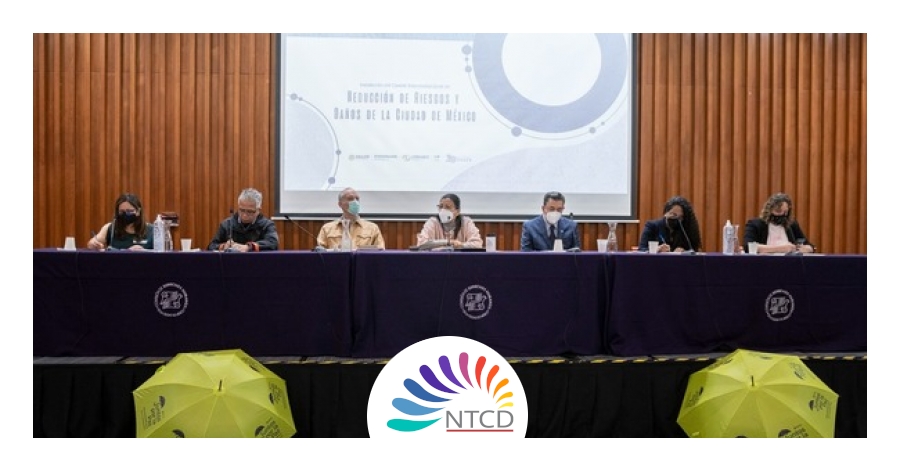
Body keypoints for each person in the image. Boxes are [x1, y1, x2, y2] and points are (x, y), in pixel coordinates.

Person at [208, 188, 279, 252]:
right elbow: (211, 246)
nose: (244, 215)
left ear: (258, 210)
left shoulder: (266, 225)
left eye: (250, 211)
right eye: (242, 210)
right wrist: (223, 246)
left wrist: (249, 247)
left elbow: (273, 243)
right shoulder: (227, 224)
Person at [744, 192, 815, 254]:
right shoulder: (755, 224)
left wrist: (808, 249)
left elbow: (809, 245)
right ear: (769, 210)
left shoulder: (792, 224)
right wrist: (781, 248)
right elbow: (748, 246)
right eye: (778, 211)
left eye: (785, 212)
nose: (782, 214)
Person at [316, 187, 386, 250]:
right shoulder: (327, 228)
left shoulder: (372, 228)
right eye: (350, 199)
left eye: (357, 199)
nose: (355, 202)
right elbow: (320, 253)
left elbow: (380, 251)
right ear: (340, 204)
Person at [87, 193, 154, 251]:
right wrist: (93, 244)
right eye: (122, 211)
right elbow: (92, 243)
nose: (125, 214)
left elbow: (159, 253)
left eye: (129, 211)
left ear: (138, 211)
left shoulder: (152, 230)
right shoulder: (110, 228)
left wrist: (144, 251)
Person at [638, 195, 703, 253]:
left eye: (680, 217)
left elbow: (694, 251)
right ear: (666, 212)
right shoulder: (652, 226)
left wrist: (685, 252)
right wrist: (657, 250)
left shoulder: (685, 230)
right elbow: (641, 250)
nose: (676, 219)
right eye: (673, 214)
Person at [416, 193, 483, 249]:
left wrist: (461, 246)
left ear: (457, 211)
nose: (443, 210)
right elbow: (421, 244)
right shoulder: (433, 222)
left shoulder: (466, 222)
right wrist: (448, 242)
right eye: (440, 207)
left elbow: (477, 244)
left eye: (447, 207)